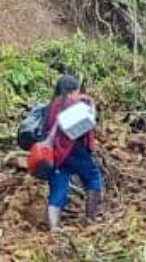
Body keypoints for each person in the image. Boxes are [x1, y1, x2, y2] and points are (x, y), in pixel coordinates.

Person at [42, 74, 105, 232]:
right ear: (72, 90)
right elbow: (90, 120)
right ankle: (90, 219)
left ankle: (54, 227)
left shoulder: (51, 105)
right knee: (93, 178)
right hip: (76, 151)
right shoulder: (77, 102)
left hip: (56, 154)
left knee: (58, 187)